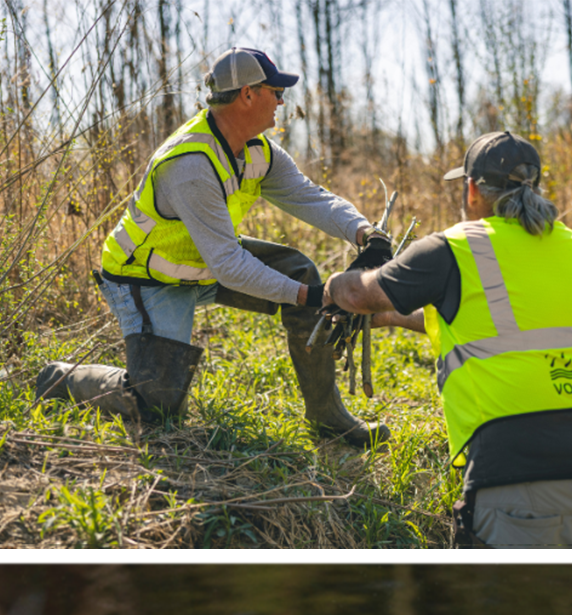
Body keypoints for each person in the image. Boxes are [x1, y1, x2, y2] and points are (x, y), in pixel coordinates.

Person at [320, 130, 572, 548]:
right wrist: (391, 317)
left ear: (472, 189)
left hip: (521, 467)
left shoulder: (453, 248)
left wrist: (331, 285)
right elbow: (500, 321)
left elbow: (357, 293)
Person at [68, 46, 387, 448]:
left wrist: (365, 233)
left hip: (205, 263)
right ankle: (63, 379)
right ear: (248, 94)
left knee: (298, 270)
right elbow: (230, 266)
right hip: (146, 278)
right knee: (156, 403)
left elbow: (310, 197)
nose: (282, 101)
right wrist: (315, 296)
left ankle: (327, 417)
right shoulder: (189, 165)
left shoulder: (258, 150)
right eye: (275, 91)